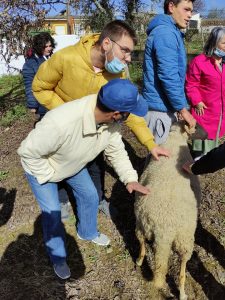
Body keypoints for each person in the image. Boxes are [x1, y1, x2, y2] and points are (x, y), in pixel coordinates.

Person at [32, 20, 169, 216]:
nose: (129, 58)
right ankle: (62, 200)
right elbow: (40, 87)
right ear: (106, 44)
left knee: (96, 165)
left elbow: (128, 109)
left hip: (95, 129)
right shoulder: (66, 58)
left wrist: (151, 144)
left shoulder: (116, 73)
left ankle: (98, 199)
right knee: (58, 162)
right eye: (125, 51)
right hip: (64, 128)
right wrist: (66, 113)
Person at [17, 78, 150, 280]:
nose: (129, 117)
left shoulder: (111, 123)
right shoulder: (61, 122)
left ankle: (87, 232)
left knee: (89, 195)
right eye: (129, 113)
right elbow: (27, 152)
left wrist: (130, 178)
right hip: (43, 169)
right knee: (53, 214)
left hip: (72, 163)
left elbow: (116, 151)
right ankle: (58, 257)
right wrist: (50, 176)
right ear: (116, 114)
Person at [142, 0, 196, 145]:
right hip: (160, 110)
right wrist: (183, 109)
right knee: (160, 161)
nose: (190, 15)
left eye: (191, 11)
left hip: (165, 106)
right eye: (186, 9)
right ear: (171, 7)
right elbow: (168, 75)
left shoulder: (171, 32)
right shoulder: (165, 33)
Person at [185, 27, 225, 158]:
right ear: (214, 43)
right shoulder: (200, 61)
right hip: (204, 107)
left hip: (219, 107)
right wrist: (197, 101)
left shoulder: (223, 62)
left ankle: (208, 156)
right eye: (224, 43)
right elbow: (191, 84)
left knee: (215, 133)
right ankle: (197, 157)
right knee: (201, 134)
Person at [22, 32, 56, 119]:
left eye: (50, 46)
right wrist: (32, 104)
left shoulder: (53, 58)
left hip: (56, 101)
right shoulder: (31, 63)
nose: (49, 49)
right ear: (39, 47)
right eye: (45, 47)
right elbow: (29, 84)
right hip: (43, 104)